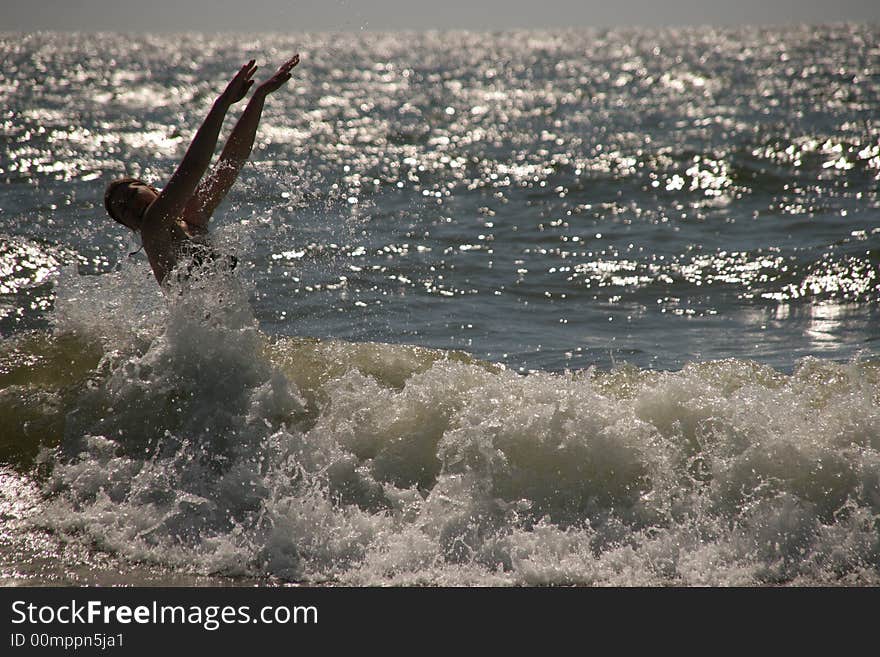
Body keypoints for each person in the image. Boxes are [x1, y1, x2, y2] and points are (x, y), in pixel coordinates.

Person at [104, 55, 300, 286]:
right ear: (129, 226)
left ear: (150, 188)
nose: (131, 206)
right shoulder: (153, 229)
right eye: (123, 210)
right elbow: (194, 167)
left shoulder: (192, 218)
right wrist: (223, 103)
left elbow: (232, 160)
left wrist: (259, 97)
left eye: (131, 195)